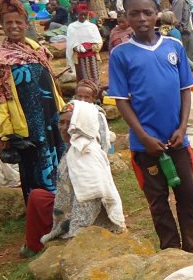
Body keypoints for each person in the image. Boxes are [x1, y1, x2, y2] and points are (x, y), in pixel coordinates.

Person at [108, 0, 193, 253]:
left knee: (188, 196)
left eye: (147, 12)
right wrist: (144, 136)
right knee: (158, 201)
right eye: (134, 13)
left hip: (177, 140)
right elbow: (121, 100)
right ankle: (170, 251)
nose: (142, 18)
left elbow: (185, 90)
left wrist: (182, 128)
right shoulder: (121, 54)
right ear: (126, 16)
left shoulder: (174, 47)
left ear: (157, 14)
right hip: (145, 145)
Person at [0, 0, 67, 202]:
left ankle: (63, 203)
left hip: (51, 116)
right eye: (8, 22)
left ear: (26, 24)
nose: (14, 26)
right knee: (35, 161)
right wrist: (8, 134)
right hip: (28, 123)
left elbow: (53, 85)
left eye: (18, 22)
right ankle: (41, 208)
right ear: (1, 26)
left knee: (59, 155)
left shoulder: (37, 50)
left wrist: (64, 112)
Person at [22, 100, 125, 256]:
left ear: (80, 124)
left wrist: (76, 233)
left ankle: (34, 247)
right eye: (61, 123)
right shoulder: (75, 147)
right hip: (71, 205)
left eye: (69, 123)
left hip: (92, 219)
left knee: (38, 198)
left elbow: (89, 198)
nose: (63, 128)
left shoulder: (85, 153)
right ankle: (34, 245)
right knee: (38, 196)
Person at [66, 4, 103, 84]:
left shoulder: (92, 26)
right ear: (77, 14)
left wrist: (89, 47)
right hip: (78, 57)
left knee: (94, 78)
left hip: (92, 56)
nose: (83, 17)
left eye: (85, 15)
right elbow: (70, 44)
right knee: (82, 79)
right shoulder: (72, 27)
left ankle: (95, 93)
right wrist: (78, 48)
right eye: (81, 14)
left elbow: (99, 42)